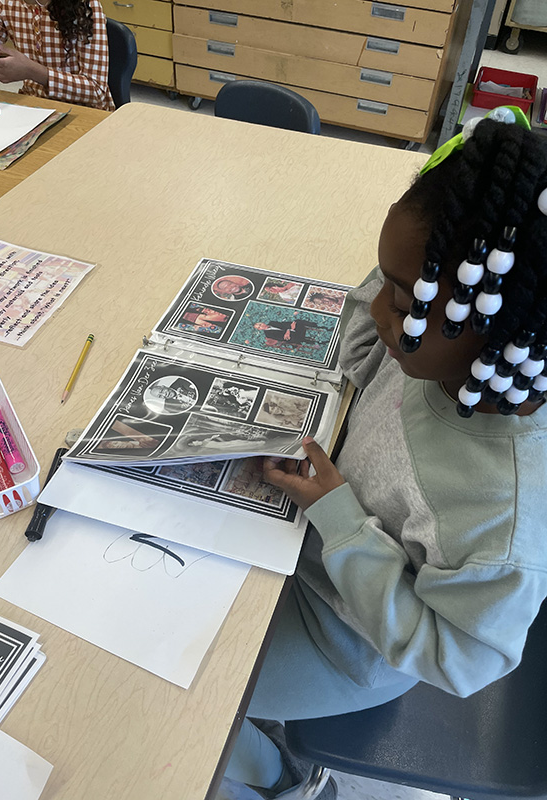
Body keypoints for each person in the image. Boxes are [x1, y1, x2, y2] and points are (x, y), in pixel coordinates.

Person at [222, 112, 547, 799]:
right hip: (303, 546)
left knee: (190, 694)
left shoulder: (499, 514)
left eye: (404, 300)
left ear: (499, 322)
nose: (378, 307)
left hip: (346, 638)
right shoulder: (442, 350)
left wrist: (339, 520)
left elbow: (458, 658)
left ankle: (284, 778)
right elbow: (369, 325)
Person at [0, 0, 114, 111]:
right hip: (34, 107)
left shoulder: (85, 5)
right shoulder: (2, 4)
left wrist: (32, 71)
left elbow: (97, 90)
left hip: (84, 111)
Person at [254, 319, 332, 346]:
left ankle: (322, 327)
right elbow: (282, 337)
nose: (261, 326)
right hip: (292, 336)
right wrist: (290, 331)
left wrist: (289, 328)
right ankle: (320, 342)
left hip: (291, 330)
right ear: (259, 329)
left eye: (260, 324)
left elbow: (283, 324)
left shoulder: (272, 322)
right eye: (259, 327)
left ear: (262, 322)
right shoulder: (268, 334)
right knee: (294, 338)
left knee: (297, 321)